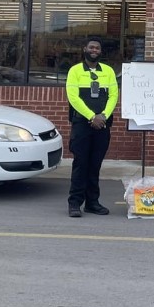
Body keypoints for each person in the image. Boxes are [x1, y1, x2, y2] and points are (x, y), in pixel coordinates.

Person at [65, 37, 118, 217]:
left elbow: (113, 96)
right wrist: (91, 116)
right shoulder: (75, 71)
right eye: (91, 47)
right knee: (80, 164)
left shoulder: (109, 71)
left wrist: (103, 116)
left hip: (102, 126)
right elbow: (73, 97)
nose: (94, 50)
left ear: (100, 52)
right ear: (85, 49)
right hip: (82, 125)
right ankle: (74, 203)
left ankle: (92, 203)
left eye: (97, 48)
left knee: (95, 166)